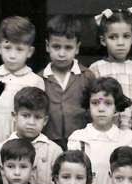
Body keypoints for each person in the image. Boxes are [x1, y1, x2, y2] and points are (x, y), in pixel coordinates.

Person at [68, 77, 132, 184]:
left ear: (116, 107)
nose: (101, 109)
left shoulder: (128, 139)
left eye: (108, 103)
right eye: (95, 103)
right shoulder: (79, 139)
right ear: (88, 106)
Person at [0, 16, 46, 147]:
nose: (12, 55)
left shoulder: (35, 81)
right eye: (8, 48)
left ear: (29, 52)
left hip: (22, 137)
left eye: (19, 49)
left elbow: (37, 114)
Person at [40, 15, 95, 150]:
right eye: (56, 47)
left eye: (68, 47)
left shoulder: (87, 76)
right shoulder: (40, 78)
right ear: (47, 46)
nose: (62, 53)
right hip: (49, 142)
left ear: (77, 48)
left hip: (80, 141)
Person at [0, 87, 63, 184]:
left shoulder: (54, 151)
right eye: (25, 116)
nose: (31, 122)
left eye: (37, 117)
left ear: (45, 120)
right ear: (14, 116)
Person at [90, 7, 132, 130]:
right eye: (113, 37)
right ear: (103, 40)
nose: (120, 42)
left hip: (131, 131)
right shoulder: (96, 68)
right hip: (105, 129)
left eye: (126, 36)